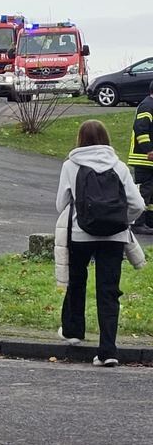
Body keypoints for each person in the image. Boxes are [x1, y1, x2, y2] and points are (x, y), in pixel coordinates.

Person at [54, 119, 146, 366]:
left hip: (80, 234)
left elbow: (61, 204)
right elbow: (137, 204)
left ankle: (73, 332)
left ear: (80, 139)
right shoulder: (119, 166)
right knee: (108, 292)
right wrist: (118, 219)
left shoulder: (70, 166)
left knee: (76, 281)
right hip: (114, 237)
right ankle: (108, 351)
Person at [129, 81, 153, 234]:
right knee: (144, 190)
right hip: (143, 157)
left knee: (150, 191)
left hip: (148, 157)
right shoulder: (147, 106)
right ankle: (138, 222)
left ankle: (149, 220)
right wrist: (149, 150)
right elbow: (140, 129)